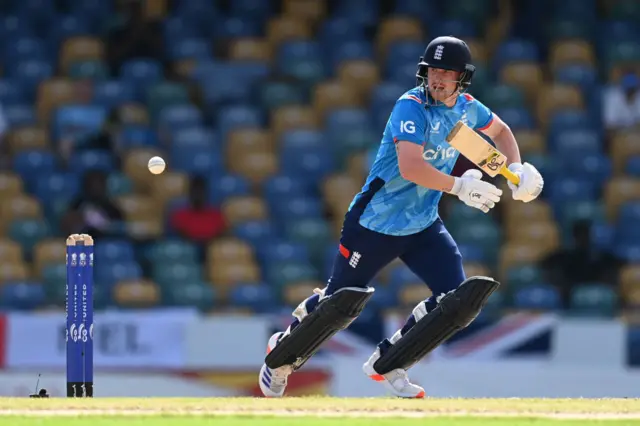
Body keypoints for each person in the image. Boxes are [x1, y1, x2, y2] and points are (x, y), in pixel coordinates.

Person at [258, 36, 544, 398]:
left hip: (423, 224)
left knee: (456, 303)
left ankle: (390, 363)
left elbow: (500, 132)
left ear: (462, 78)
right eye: (433, 70)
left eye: (447, 72)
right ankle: (281, 356)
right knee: (339, 303)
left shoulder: (467, 109)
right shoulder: (410, 106)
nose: (438, 79)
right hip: (374, 223)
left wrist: (516, 168)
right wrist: (458, 187)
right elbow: (411, 168)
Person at [60, 170, 125, 239]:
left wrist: (104, 225)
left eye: (99, 183)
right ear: (86, 185)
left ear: (104, 186)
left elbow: (118, 228)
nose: (95, 187)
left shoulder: (110, 207)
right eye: (92, 183)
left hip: (102, 241)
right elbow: (66, 225)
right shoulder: (78, 203)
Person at [170, 176, 226, 243]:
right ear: (190, 193)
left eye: (200, 191)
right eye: (195, 191)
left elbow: (219, 236)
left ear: (206, 193)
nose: (198, 194)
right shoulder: (180, 215)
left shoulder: (216, 215)